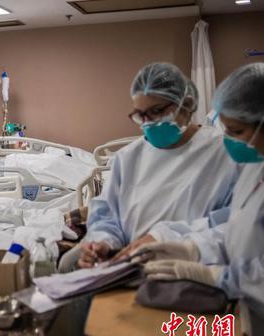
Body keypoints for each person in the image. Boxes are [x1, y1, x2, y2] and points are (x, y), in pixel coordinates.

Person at [137, 63, 264, 336]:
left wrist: (215, 275)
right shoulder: (255, 165)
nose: (230, 140)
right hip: (242, 315)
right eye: (226, 130)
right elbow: (235, 224)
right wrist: (191, 246)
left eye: (237, 131)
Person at [59, 62, 240, 272]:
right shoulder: (128, 158)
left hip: (196, 268)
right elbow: (108, 216)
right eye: (140, 115)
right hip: (130, 264)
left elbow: (235, 226)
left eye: (156, 111)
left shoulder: (224, 154)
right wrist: (104, 243)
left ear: (187, 104)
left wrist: (165, 239)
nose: (148, 122)